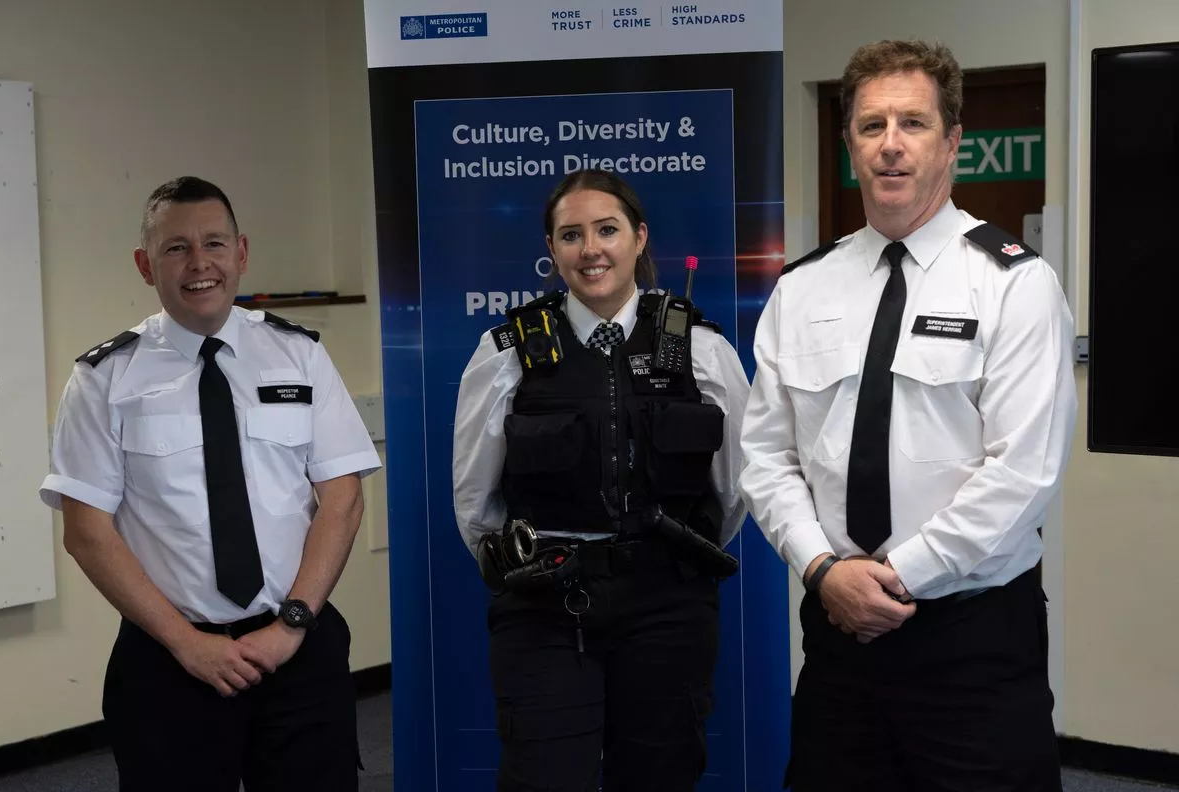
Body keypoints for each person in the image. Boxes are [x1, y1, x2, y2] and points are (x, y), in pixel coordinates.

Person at [739, 40, 1077, 791]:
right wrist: (824, 570)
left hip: (973, 638)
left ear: (952, 143)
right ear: (849, 145)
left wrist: (892, 579)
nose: (891, 144)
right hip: (837, 633)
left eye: (914, 123)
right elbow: (765, 457)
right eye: (871, 125)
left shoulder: (1013, 285)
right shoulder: (803, 289)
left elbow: (1023, 471)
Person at [40, 176, 381, 792]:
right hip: (169, 663)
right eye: (176, 248)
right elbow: (87, 533)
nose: (200, 264)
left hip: (298, 650)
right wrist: (187, 644)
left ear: (241, 253)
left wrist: (292, 625)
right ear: (146, 264)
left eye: (215, 244)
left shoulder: (298, 355)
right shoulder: (104, 377)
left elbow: (343, 496)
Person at [452, 168, 749, 791]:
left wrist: (665, 555)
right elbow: (476, 502)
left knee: (661, 772)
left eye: (607, 230)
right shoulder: (508, 352)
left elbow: (734, 492)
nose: (591, 250)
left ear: (639, 239)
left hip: (668, 604)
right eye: (571, 235)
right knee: (544, 776)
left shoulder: (700, 349)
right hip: (546, 604)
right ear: (552, 250)